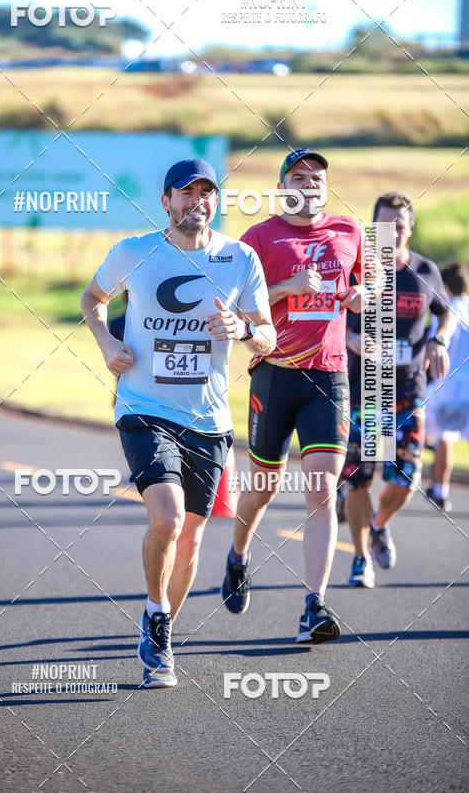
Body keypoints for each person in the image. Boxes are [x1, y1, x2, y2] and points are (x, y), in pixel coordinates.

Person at [80, 158, 276, 688]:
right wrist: (107, 344)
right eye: (186, 193)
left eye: (206, 193)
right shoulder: (135, 251)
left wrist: (241, 328)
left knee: (190, 539)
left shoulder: (240, 258)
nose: (198, 201)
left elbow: (268, 338)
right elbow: (92, 299)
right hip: (144, 406)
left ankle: (158, 626)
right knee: (165, 519)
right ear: (165, 201)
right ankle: (156, 613)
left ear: (216, 200)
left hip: (209, 419)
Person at [221, 148, 369, 644]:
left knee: (322, 490)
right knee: (263, 487)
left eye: (318, 177)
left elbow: (366, 284)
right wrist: (286, 286)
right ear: (283, 184)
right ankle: (239, 554)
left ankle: (314, 605)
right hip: (274, 374)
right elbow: (235, 307)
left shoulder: (349, 231)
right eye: (300, 176)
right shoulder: (259, 238)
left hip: (329, 378)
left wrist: (360, 296)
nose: (310, 184)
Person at [341, 192, 456, 588]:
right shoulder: (356, 269)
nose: (390, 235)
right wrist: (349, 339)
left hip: (407, 389)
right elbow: (325, 316)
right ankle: (359, 559)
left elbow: (446, 316)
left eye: (400, 227)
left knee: (404, 478)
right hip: (364, 390)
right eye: (383, 228)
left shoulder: (425, 270)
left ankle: (379, 523)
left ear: (411, 229)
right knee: (359, 479)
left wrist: (438, 340)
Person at [424, 261, 469, 512]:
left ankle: (438, 488)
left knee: (441, 437)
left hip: (447, 384)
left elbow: (434, 344)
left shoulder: (448, 312)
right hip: (467, 385)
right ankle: (439, 488)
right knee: (446, 437)